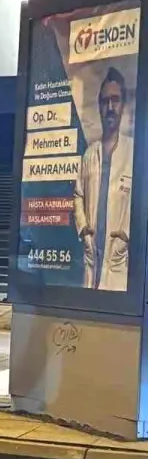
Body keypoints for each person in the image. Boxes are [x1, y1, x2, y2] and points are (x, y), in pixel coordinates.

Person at [75, 66, 133, 291]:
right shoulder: (90, 154)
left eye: (115, 100)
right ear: (99, 106)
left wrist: (126, 235)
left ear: (123, 105)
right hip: (92, 256)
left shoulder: (133, 151)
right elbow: (78, 195)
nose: (110, 107)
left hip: (118, 259)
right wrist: (83, 229)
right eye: (105, 101)